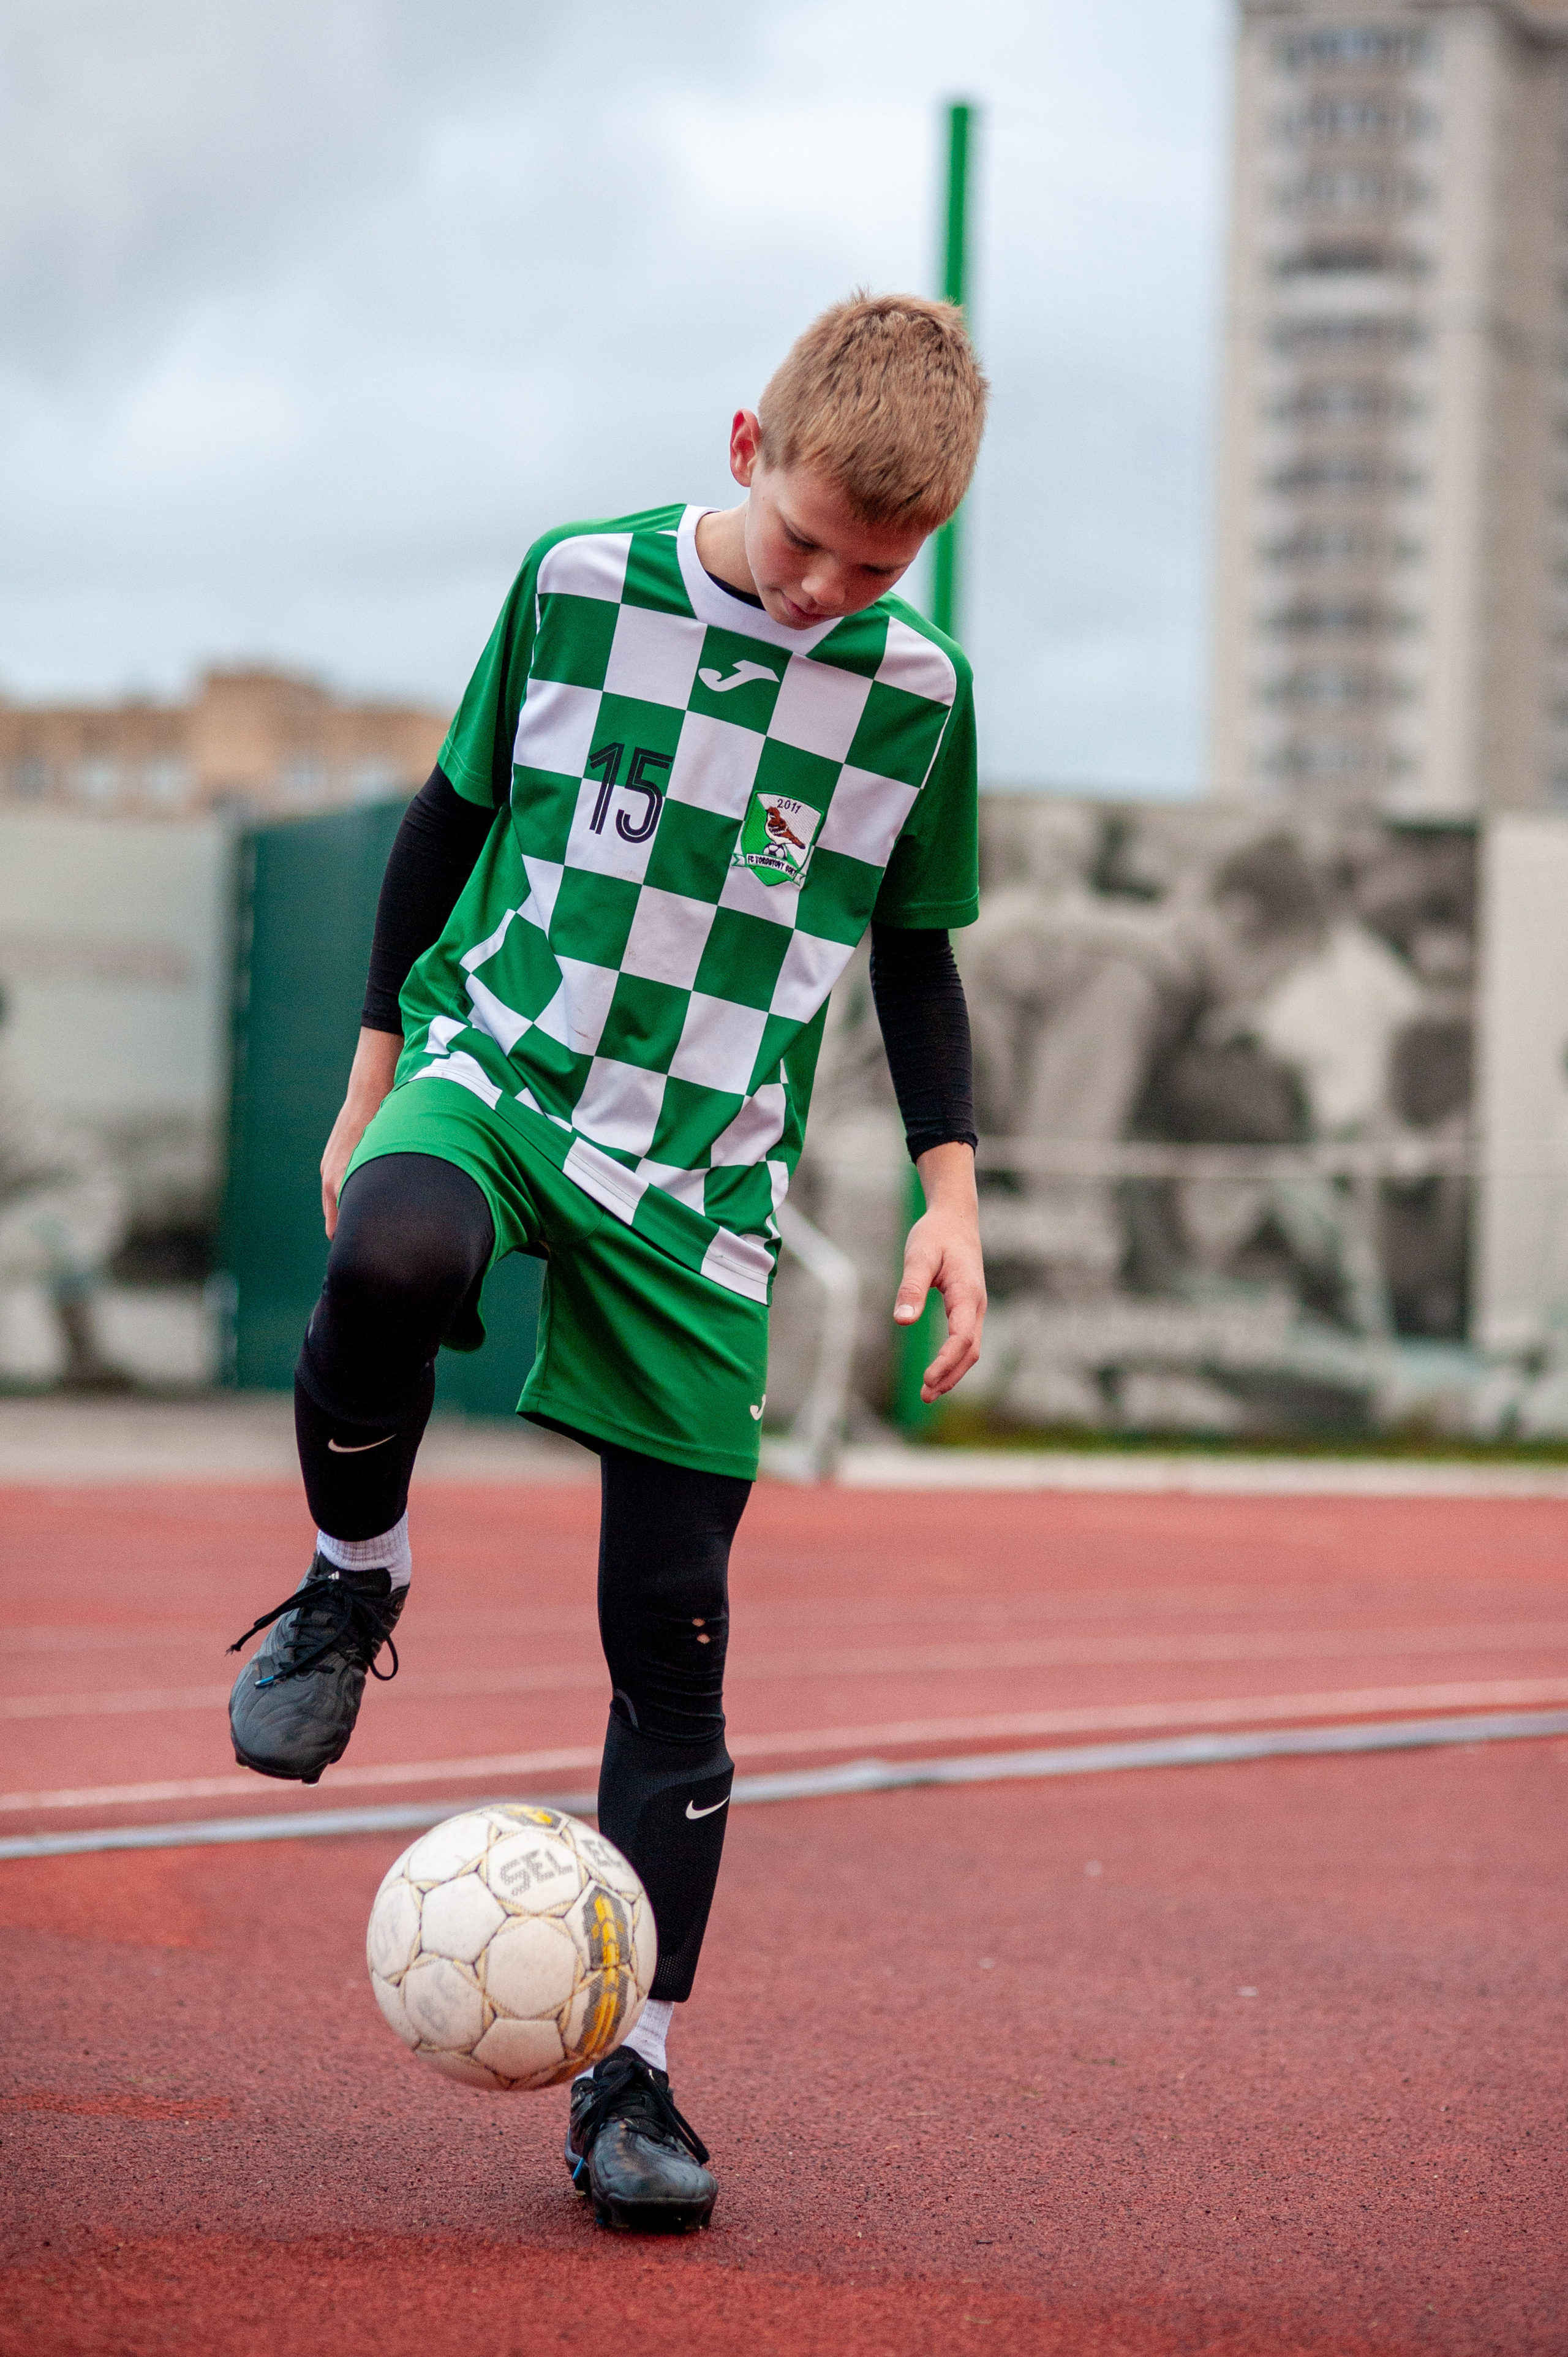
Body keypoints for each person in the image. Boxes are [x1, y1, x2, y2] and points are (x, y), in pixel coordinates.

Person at [225, 293, 989, 2231]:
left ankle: (632, 2074)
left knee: (673, 1631)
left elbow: (912, 954)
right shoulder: (576, 582)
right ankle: (349, 1579)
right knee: (390, 1254)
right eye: (806, 539)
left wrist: (952, 1194)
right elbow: (448, 822)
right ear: (745, 446)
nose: (824, 591)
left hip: (703, 1175)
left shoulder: (919, 696)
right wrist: (374, 1074)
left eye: (874, 568)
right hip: (499, 1061)